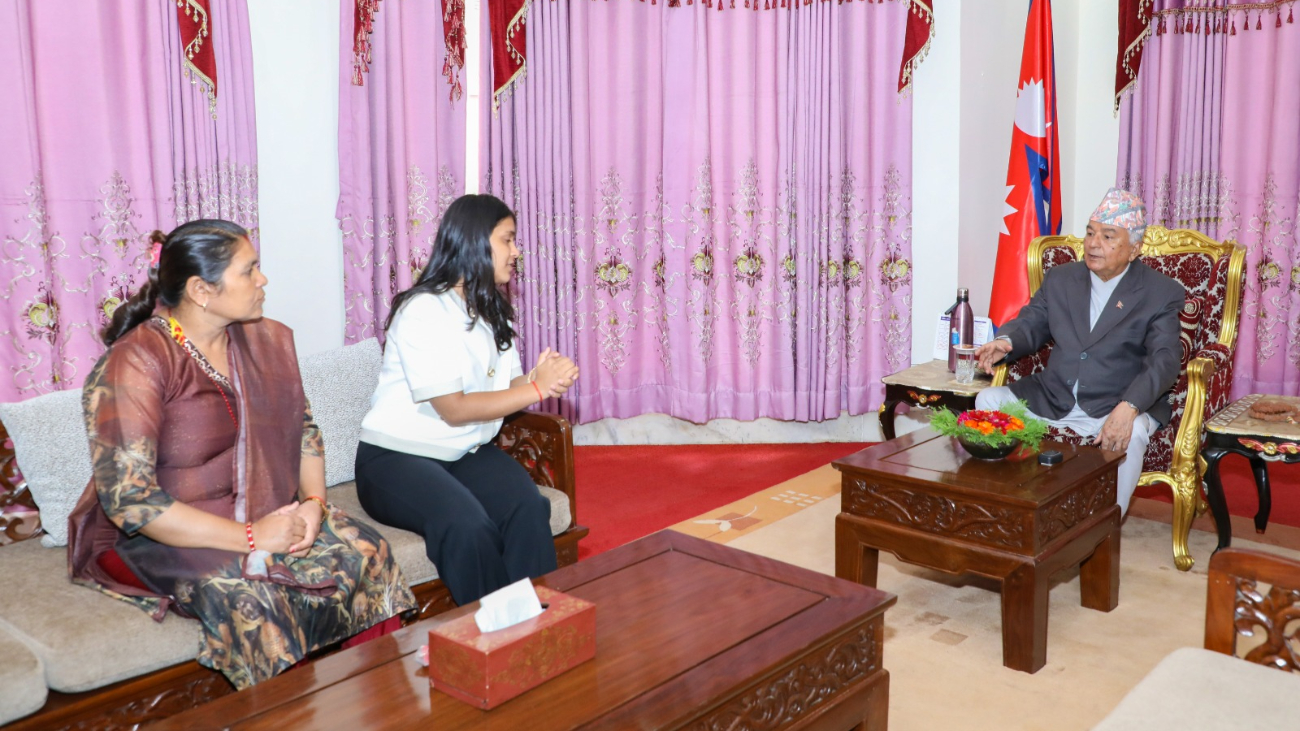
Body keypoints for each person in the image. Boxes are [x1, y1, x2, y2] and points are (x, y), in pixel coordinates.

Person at [67, 220, 416, 691]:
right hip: (166, 535)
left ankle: (377, 700)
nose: (263, 280)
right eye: (249, 270)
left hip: (267, 509)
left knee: (367, 552)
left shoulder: (263, 341)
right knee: (258, 602)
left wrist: (314, 504)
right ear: (201, 290)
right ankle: (291, 712)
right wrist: (252, 537)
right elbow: (131, 501)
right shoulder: (136, 361)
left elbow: (303, 430)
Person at [355, 194, 578, 606]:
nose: (516, 251)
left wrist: (538, 379)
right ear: (475, 241)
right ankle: (497, 630)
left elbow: (506, 388)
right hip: (395, 459)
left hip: (463, 452)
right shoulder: (423, 310)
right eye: (507, 239)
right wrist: (535, 388)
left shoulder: (492, 310)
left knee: (529, 508)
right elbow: (454, 408)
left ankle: (539, 622)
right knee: (467, 525)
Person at [974, 188, 1183, 514]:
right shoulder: (1062, 278)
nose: (1093, 243)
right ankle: (1010, 509)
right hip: (1054, 396)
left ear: (1134, 249)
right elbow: (1032, 320)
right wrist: (1006, 342)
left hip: (1115, 402)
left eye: (1108, 236)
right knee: (987, 401)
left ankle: (1107, 524)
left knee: (1133, 433)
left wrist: (1130, 407)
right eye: (1090, 233)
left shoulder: (1160, 292)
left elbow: (1165, 359)